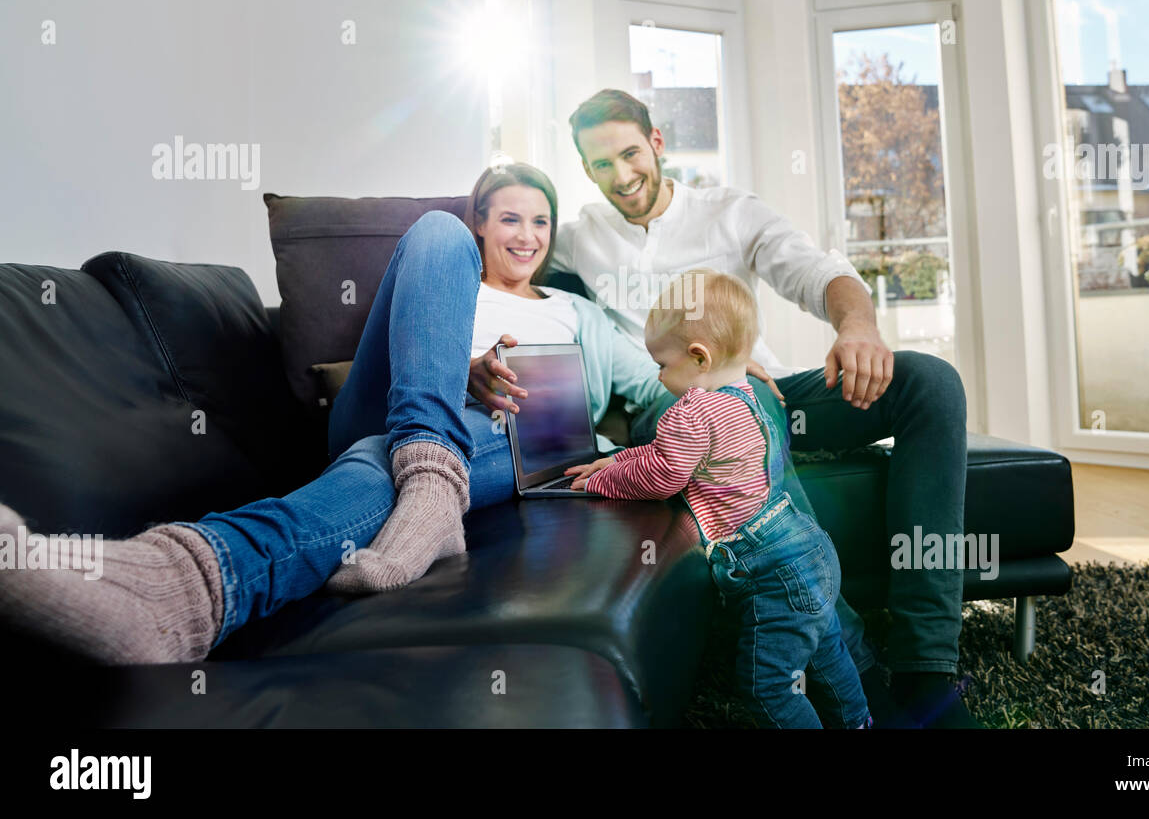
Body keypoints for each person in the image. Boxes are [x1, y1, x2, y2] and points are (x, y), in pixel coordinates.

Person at [0, 163, 667, 664]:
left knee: (382, 462)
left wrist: (724, 383)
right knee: (431, 234)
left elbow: (659, 387)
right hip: (403, 407)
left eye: (541, 221)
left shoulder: (578, 313)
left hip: (522, 428)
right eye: (510, 218)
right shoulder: (448, 266)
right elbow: (418, 340)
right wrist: (459, 373)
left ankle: (186, 586)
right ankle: (433, 488)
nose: (527, 235)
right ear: (483, 226)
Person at [551, 88, 978, 728]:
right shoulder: (574, 240)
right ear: (585, 170)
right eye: (600, 164)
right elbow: (509, 266)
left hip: (770, 392)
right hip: (666, 415)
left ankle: (924, 668)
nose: (621, 175)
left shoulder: (729, 212)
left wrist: (856, 328)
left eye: (630, 153)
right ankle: (860, 673)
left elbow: (818, 271)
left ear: (658, 143)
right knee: (739, 414)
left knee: (930, 383)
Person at [567, 269, 870, 729]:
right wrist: (618, 459)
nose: (659, 375)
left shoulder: (690, 413)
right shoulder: (745, 396)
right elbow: (664, 455)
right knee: (829, 655)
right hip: (809, 546)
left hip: (775, 573)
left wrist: (601, 481)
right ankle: (860, 721)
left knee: (767, 685)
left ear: (698, 357)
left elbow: (663, 474)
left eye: (662, 365)